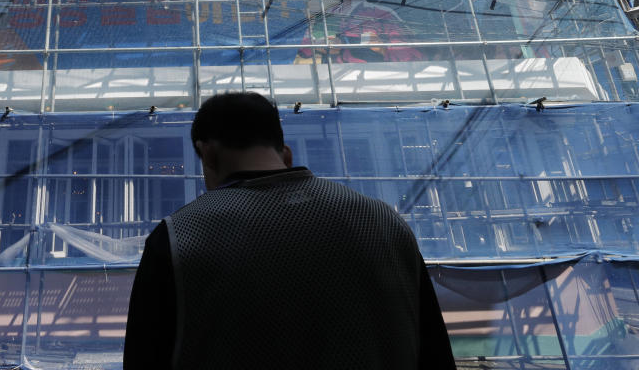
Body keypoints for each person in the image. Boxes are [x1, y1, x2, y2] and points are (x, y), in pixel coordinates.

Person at [123, 92, 455, 369]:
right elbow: (434, 350)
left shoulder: (180, 236)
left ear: (207, 153)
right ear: (285, 153)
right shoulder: (383, 221)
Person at [295, 0, 423, 63]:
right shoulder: (322, 15)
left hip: (372, 78)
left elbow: (408, 54)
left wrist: (382, 49)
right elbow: (299, 44)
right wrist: (318, 46)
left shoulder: (381, 14)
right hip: (330, 78)